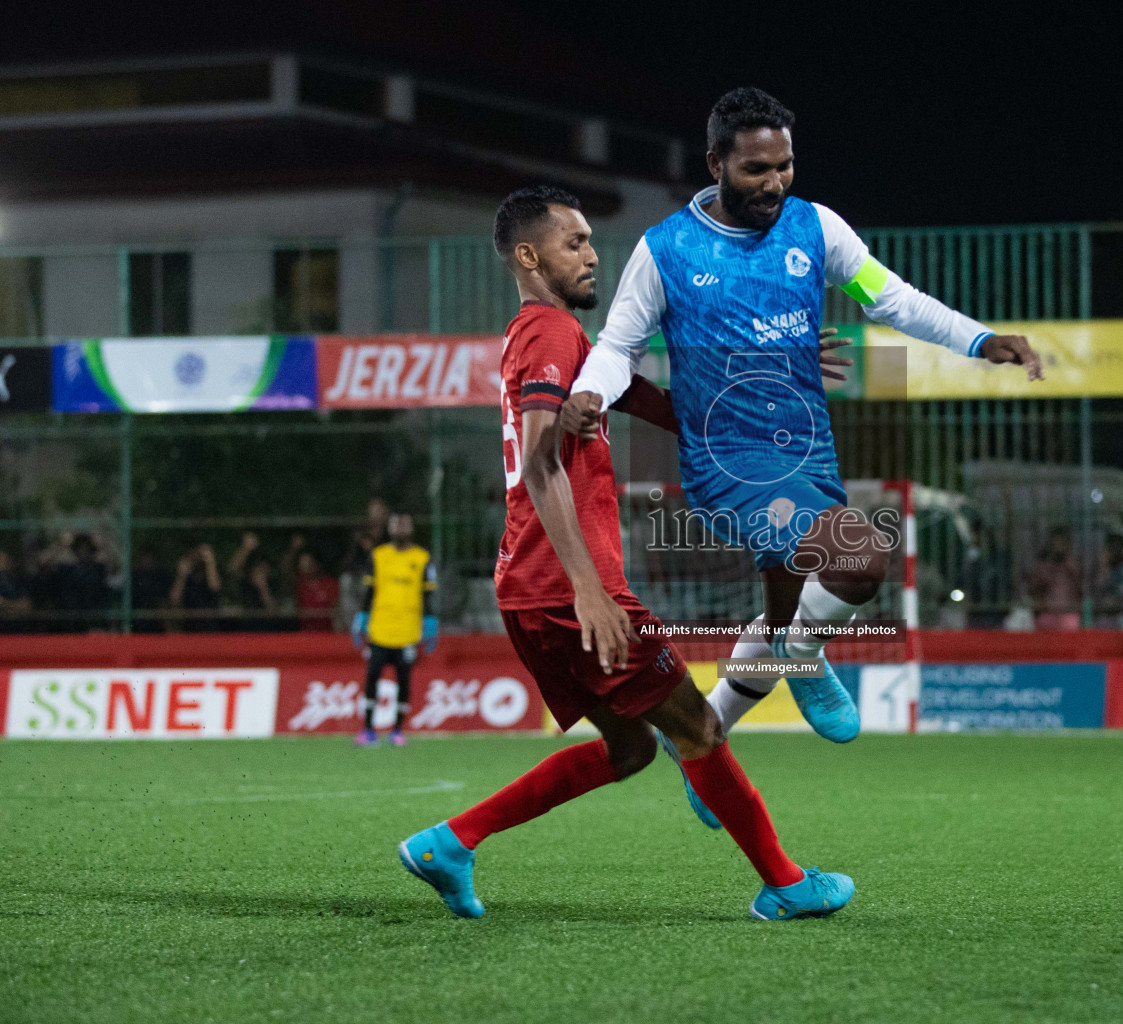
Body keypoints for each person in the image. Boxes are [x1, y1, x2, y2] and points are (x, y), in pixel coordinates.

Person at [397, 186, 853, 923]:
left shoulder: (559, 340)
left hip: (530, 587)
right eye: (572, 241)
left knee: (632, 749)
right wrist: (589, 589)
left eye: (589, 240)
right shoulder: (548, 335)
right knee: (697, 730)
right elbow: (544, 464)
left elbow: (662, 404)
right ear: (527, 255)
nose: (590, 253)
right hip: (564, 586)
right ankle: (788, 884)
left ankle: (451, 842)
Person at [563, 87, 1042, 765]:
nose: (775, 182)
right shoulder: (666, 249)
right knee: (859, 557)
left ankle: (709, 741)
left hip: (808, 451)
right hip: (727, 462)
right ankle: (805, 659)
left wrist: (980, 339)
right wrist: (588, 393)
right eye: (756, 169)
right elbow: (618, 346)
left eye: (784, 165)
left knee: (794, 603)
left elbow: (892, 298)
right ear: (715, 163)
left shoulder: (815, 227)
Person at [351, 513, 437, 746]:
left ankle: (398, 730)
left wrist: (430, 622)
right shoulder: (378, 556)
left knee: (404, 680)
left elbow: (428, 595)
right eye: (396, 523)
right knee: (372, 678)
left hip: (408, 632)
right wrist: (362, 618)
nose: (400, 527)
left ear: (412, 527)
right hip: (379, 630)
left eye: (405, 523)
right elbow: (368, 593)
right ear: (389, 528)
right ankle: (368, 730)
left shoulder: (422, 558)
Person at [1028, 526, 1083, 631]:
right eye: (1056, 542)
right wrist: (1051, 563)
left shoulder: (1073, 562)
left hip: (1069, 613)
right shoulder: (1044, 564)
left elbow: (1080, 584)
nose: (1059, 546)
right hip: (1048, 613)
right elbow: (1036, 586)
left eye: (1062, 542)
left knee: (1071, 624)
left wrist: (1067, 563)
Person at [168, 543, 221, 632]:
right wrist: (181, 576)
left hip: (210, 625)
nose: (197, 557)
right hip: (189, 625)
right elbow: (174, 599)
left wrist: (210, 563)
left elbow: (215, 587)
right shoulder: (185, 577)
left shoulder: (209, 573)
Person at [294, 551, 340, 632]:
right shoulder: (297, 586)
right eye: (303, 563)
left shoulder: (330, 584)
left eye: (308, 562)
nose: (306, 566)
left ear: (317, 564)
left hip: (327, 633)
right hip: (305, 634)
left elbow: (337, 609)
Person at [0, 549, 33, 633]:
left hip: (19, 627)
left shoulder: (14, 580)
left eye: (5, 560)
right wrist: (14, 606)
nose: (3, 563)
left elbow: (26, 604)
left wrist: (7, 605)